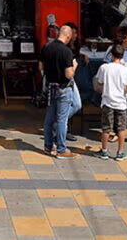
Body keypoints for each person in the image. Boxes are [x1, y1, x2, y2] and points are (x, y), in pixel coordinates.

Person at [41, 24, 77, 159]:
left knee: (49, 118)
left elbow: (42, 66)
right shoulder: (66, 51)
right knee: (62, 120)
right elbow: (69, 75)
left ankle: (48, 146)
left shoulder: (47, 47)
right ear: (67, 36)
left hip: (50, 87)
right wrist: (74, 66)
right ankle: (61, 149)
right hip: (63, 88)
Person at [94, 45, 127, 162]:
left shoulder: (104, 68)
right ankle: (120, 153)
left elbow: (99, 84)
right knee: (121, 128)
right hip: (121, 103)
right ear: (122, 57)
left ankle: (104, 151)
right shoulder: (126, 70)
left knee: (106, 128)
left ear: (111, 55)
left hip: (108, 101)